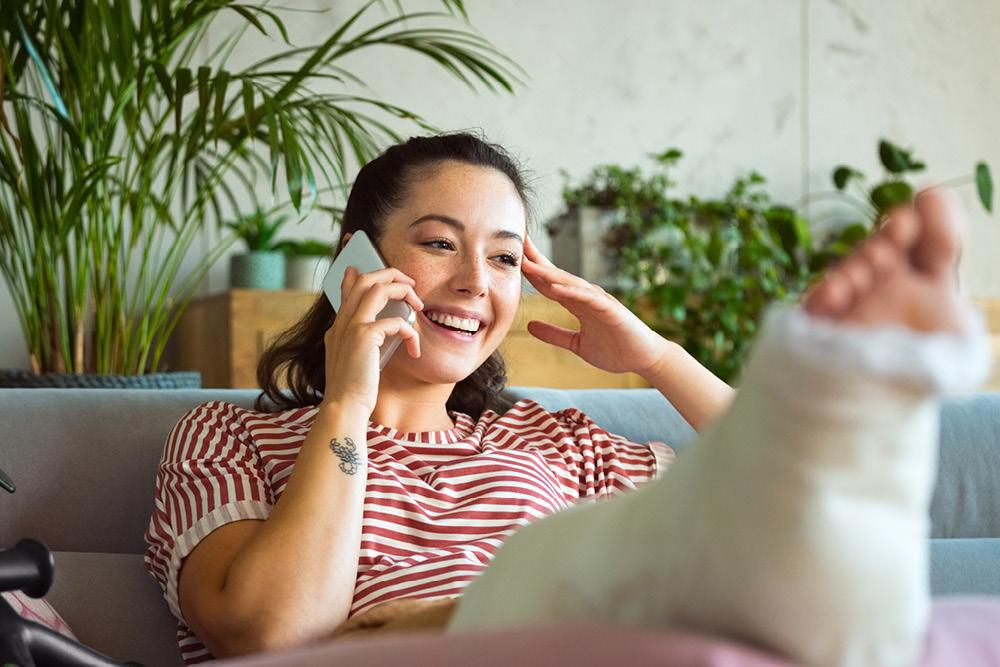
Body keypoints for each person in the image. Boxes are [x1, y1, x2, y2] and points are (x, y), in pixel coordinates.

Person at [144, 133, 989, 666]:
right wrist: (346, 403)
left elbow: (788, 506)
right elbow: (268, 633)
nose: (476, 281)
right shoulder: (226, 438)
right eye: (440, 243)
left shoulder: (556, 441)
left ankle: (843, 393)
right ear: (354, 261)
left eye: (506, 259)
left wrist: (657, 358)